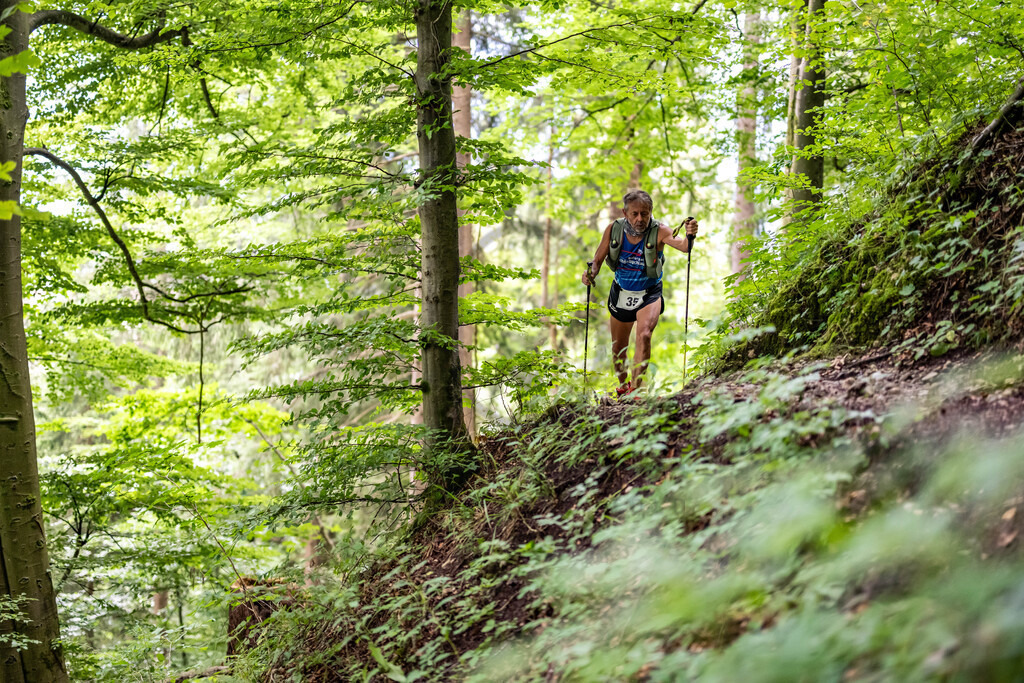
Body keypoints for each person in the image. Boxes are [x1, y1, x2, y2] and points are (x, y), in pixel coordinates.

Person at [581, 190, 699, 397]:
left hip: (649, 293)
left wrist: (690, 235)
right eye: (635, 213)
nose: (640, 219)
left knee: (644, 335)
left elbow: (683, 246)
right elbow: (597, 261)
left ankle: (636, 390)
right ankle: (623, 385)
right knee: (619, 349)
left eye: (645, 213)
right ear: (625, 213)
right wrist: (590, 274)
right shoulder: (613, 229)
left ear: (650, 212)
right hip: (621, 292)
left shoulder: (659, 230)